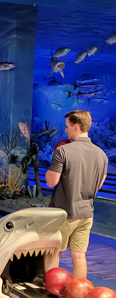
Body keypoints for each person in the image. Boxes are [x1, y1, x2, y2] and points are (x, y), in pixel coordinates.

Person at [45, 110, 107, 278]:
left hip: (64, 213)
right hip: (86, 214)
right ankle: (78, 293)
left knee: (54, 253)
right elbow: (100, 182)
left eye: (67, 126)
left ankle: (51, 291)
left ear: (76, 126)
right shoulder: (101, 155)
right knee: (79, 256)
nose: (65, 130)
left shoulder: (63, 151)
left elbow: (51, 182)